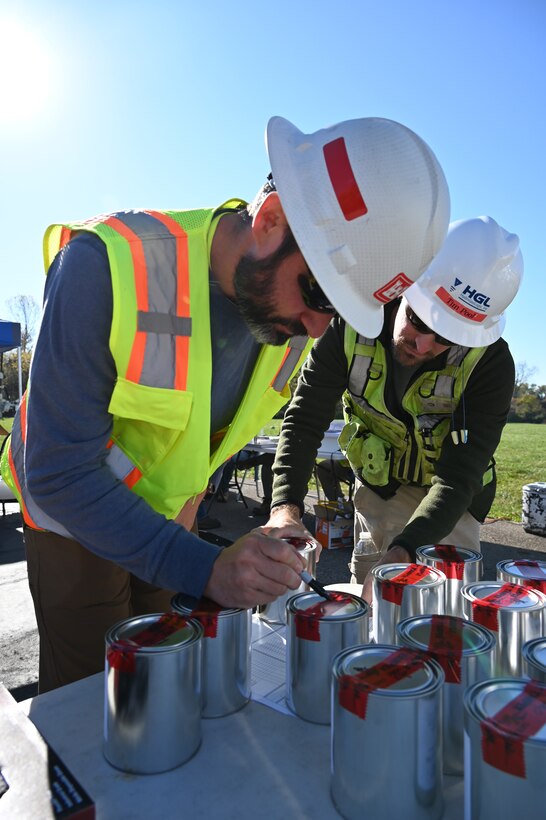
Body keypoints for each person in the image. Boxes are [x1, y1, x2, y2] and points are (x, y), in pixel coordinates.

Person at [1, 114, 449, 691]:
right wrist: (203, 566)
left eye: (336, 311)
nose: (316, 327)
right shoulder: (105, 266)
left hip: (170, 521)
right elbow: (58, 468)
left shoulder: (290, 329)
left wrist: (232, 527)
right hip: (71, 523)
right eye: (317, 292)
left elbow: (197, 440)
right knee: (94, 699)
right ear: (270, 221)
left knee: (157, 686)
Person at [265, 217, 523, 602]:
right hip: (380, 486)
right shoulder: (347, 326)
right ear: (405, 289)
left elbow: (458, 477)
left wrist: (407, 547)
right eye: (419, 321)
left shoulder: (491, 363)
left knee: (444, 604)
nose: (423, 345)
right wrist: (286, 507)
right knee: (370, 599)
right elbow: (305, 419)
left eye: (448, 337)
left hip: (452, 500)